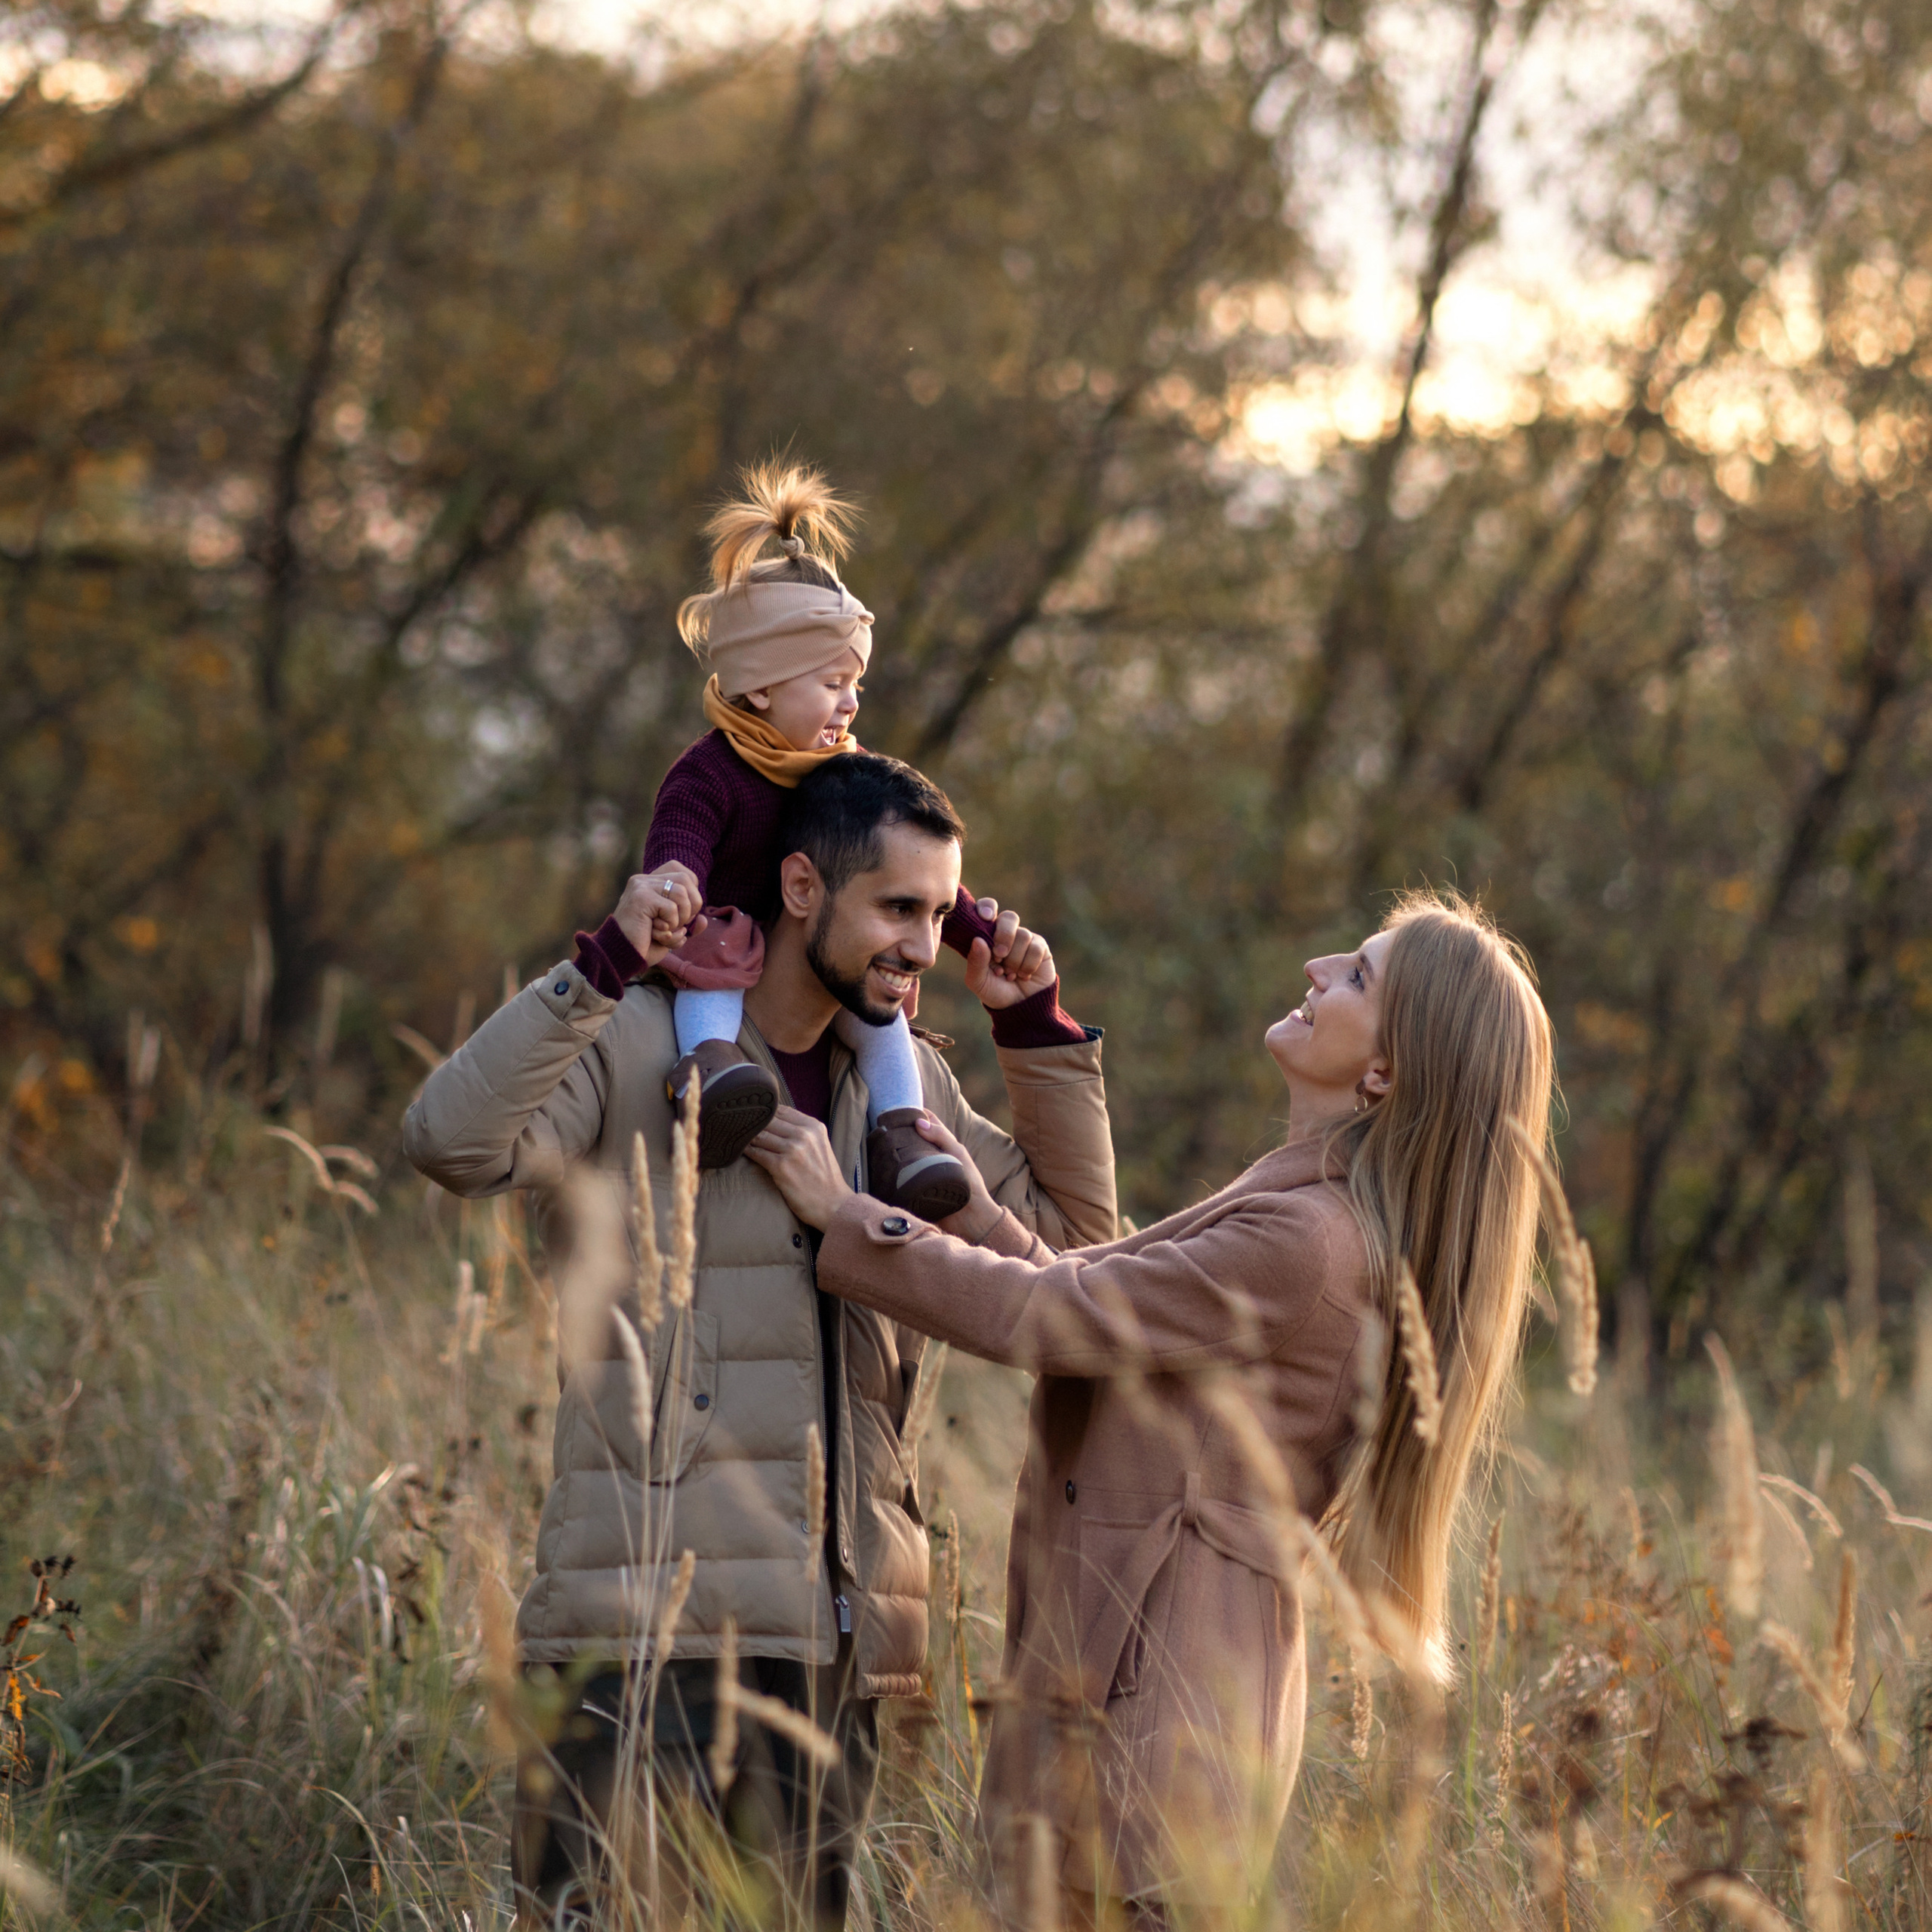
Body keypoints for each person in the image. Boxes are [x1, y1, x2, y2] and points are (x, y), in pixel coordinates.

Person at [401, 752, 1117, 1927]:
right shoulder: (633, 1046)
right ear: (799, 888)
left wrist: (1031, 1027)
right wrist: (598, 969)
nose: (924, 946)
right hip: (636, 1633)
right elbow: (449, 1140)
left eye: (941, 914)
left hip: (835, 1646)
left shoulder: (908, 1088)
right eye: (897, 908)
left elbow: (1081, 1258)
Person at [749, 890, 1557, 1924]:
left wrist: (841, 1214)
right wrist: (975, 1185)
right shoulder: (1299, 1203)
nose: (1316, 967)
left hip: (1160, 1722)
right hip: (1133, 1688)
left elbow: (1049, 1319)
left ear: (1388, 1070)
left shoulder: (1307, 1245)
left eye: (1357, 975)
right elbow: (1092, 1298)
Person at [632, 458, 1011, 1217]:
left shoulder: (846, 768)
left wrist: (979, 930)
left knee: (879, 1022)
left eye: (855, 686)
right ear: (763, 684)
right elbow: (683, 836)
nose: (848, 704)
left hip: (817, 952)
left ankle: (902, 1135)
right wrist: (674, 884)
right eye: (831, 683)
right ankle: (706, 1079)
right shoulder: (710, 770)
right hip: (735, 935)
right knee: (713, 970)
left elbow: (915, 863)